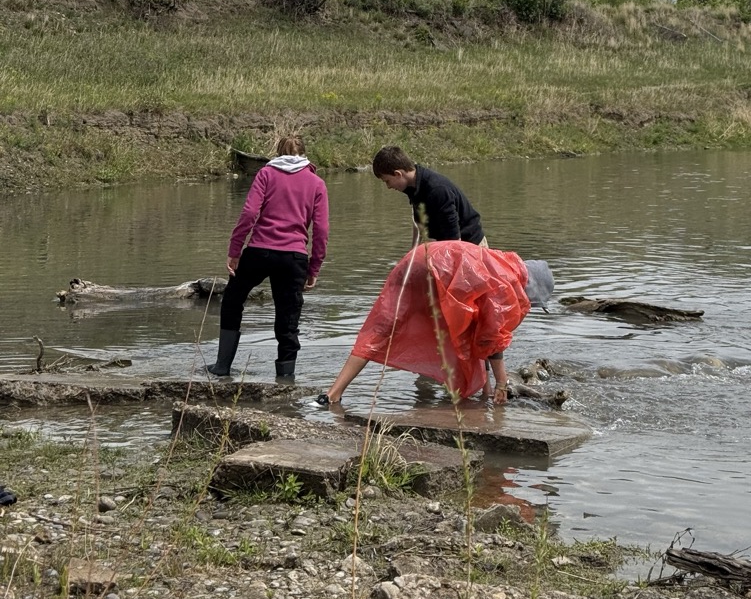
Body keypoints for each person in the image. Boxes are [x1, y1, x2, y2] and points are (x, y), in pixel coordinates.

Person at [320, 240, 532, 406]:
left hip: (415, 259)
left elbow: (480, 333)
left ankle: (333, 393)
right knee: (467, 332)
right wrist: (501, 383)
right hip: (440, 268)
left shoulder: (496, 261)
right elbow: (490, 337)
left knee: (381, 330)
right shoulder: (505, 281)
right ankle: (482, 394)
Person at [207, 134, 328, 381]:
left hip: (259, 251)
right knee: (288, 316)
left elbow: (249, 213)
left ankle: (222, 366)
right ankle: (285, 377)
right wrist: (314, 267)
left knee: (232, 300)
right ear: (304, 154)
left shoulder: (266, 174)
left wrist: (234, 250)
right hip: (294, 257)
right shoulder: (317, 183)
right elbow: (322, 230)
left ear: (278, 152)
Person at [371, 145, 486, 246]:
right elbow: (418, 222)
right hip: (445, 243)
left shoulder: (437, 190)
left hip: (469, 246)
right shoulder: (413, 187)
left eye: (387, 181)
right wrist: (413, 252)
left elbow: (454, 239)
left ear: (398, 174)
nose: (388, 187)